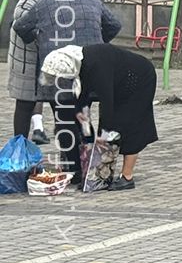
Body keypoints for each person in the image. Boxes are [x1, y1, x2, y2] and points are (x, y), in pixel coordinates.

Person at [13, 0, 121, 182]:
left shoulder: (44, 4)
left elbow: (20, 26)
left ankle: (74, 170)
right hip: (88, 69)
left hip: (58, 73)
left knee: (64, 120)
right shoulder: (92, 1)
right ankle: (90, 167)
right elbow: (114, 25)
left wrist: (39, 39)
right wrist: (99, 40)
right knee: (83, 117)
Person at [38, 44, 159, 190]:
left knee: (129, 125)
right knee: (110, 128)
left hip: (141, 78)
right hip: (121, 82)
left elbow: (107, 102)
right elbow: (83, 94)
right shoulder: (81, 62)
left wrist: (104, 134)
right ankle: (101, 177)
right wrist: (81, 114)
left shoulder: (97, 66)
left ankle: (127, 177)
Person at [8, 0, 53, 143]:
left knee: (26, 99)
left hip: (26, 51)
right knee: (43, 95)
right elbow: (20, 21)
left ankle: (24, 143)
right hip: (35, 47)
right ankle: (39, 128)